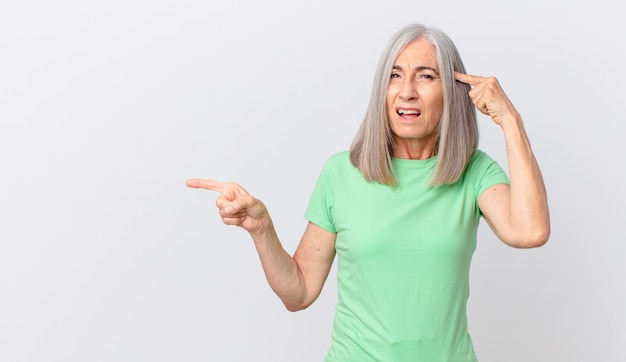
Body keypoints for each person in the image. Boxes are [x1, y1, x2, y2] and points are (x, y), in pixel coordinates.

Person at [186, 23, 550, 361]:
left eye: (425, 76)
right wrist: (262, 229)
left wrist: (509, 120)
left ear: (453, 93)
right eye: (395, 76)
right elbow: (299, 294)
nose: (407, 91)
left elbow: (530, 231)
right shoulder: (341, 172)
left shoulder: (474, 172)